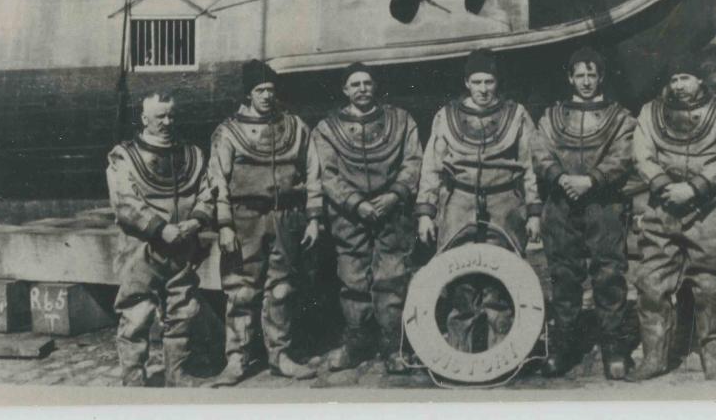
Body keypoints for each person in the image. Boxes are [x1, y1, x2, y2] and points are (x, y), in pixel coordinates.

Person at [415, 48, 546, 352]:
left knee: (502, 277)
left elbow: (530, 165)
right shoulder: (446, 116)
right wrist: (426, 212)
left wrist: (533, 212)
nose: (484, 89)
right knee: (459, 276)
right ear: (467, 83)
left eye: (489, 81)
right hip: (459, 202)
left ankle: (502, 350)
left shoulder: (516, 114)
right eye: (477, 82)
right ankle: (460, 353)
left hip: (504, 203)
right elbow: (431, 166)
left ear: (497, 82)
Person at [630, 52, 716, 381]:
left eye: (686, 78)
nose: (679, 85)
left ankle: (715, 354)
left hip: (711, 206)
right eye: (674, 79)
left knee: (712, 284)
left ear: (700, 79)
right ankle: (654, 355)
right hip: (663, 206)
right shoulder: (651, 112)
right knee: (652, 283)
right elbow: (642, 153)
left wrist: (694, 187)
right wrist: (666, 185)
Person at [208, 59, 321, 385]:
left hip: (287, 218)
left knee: (282, 290)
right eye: (260, 90)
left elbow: (314, 173)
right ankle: (236, 360)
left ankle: (280, 356)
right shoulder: (229, 132)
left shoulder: (296, 128)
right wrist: (225, 224)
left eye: (271, 90)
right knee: (241, 291)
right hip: (246, 220)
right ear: (248, 95)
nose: (267, 96)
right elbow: (217, 180)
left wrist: (313, 217)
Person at [310, 62, 423, 375]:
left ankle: (393, 347)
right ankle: (358, 344)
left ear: (375, 87)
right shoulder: (327, 128)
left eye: (367, 83)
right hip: (350, 216)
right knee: (353, 279)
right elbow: (327, 174)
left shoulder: (401, 121)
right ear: (345, 90)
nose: (362, 89)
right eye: (355, 84)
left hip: (393, 212)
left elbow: (413, 161)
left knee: (392, 277)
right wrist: (356, 203)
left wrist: (395, 195)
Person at [535, 46, 637, 379]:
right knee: (564, 276)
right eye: (579, 74)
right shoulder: (552, 116)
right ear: (569, 78)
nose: (586, 81)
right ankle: (564, 346)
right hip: (561, 204)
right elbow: (540, 151)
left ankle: (614, 347)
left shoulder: (620, 116)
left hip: (603, 204)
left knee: (608, 275)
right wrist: (560, 177)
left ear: (601, 76)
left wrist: (591, 180)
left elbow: (623, 156)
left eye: (592, 74)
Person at [106, 91, 214, 387]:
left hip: (182, 245)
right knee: (136, 313)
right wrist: (159, 228)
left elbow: (207, 192)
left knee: (182, 309)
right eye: (159, 117)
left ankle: (176, 373)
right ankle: (134, 380)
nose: (167, 122)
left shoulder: (193, 154)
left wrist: (196, 221)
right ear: (144, 119)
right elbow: (125, 203)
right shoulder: (124, 155)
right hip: (142, 247)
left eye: (171, 116)